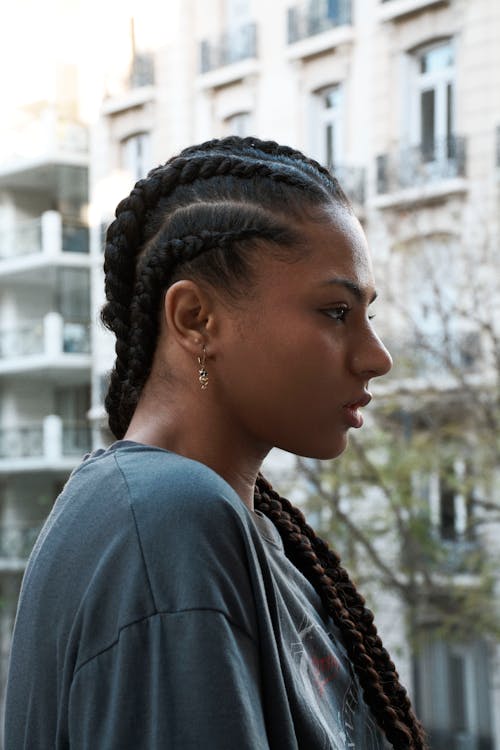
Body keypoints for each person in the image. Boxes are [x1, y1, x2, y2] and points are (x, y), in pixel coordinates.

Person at [5, 136, 427, 749]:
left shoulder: (214, 521)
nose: (377, 356)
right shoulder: (167, 525)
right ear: (196, 319)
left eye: (367, 313)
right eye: (336, 312)